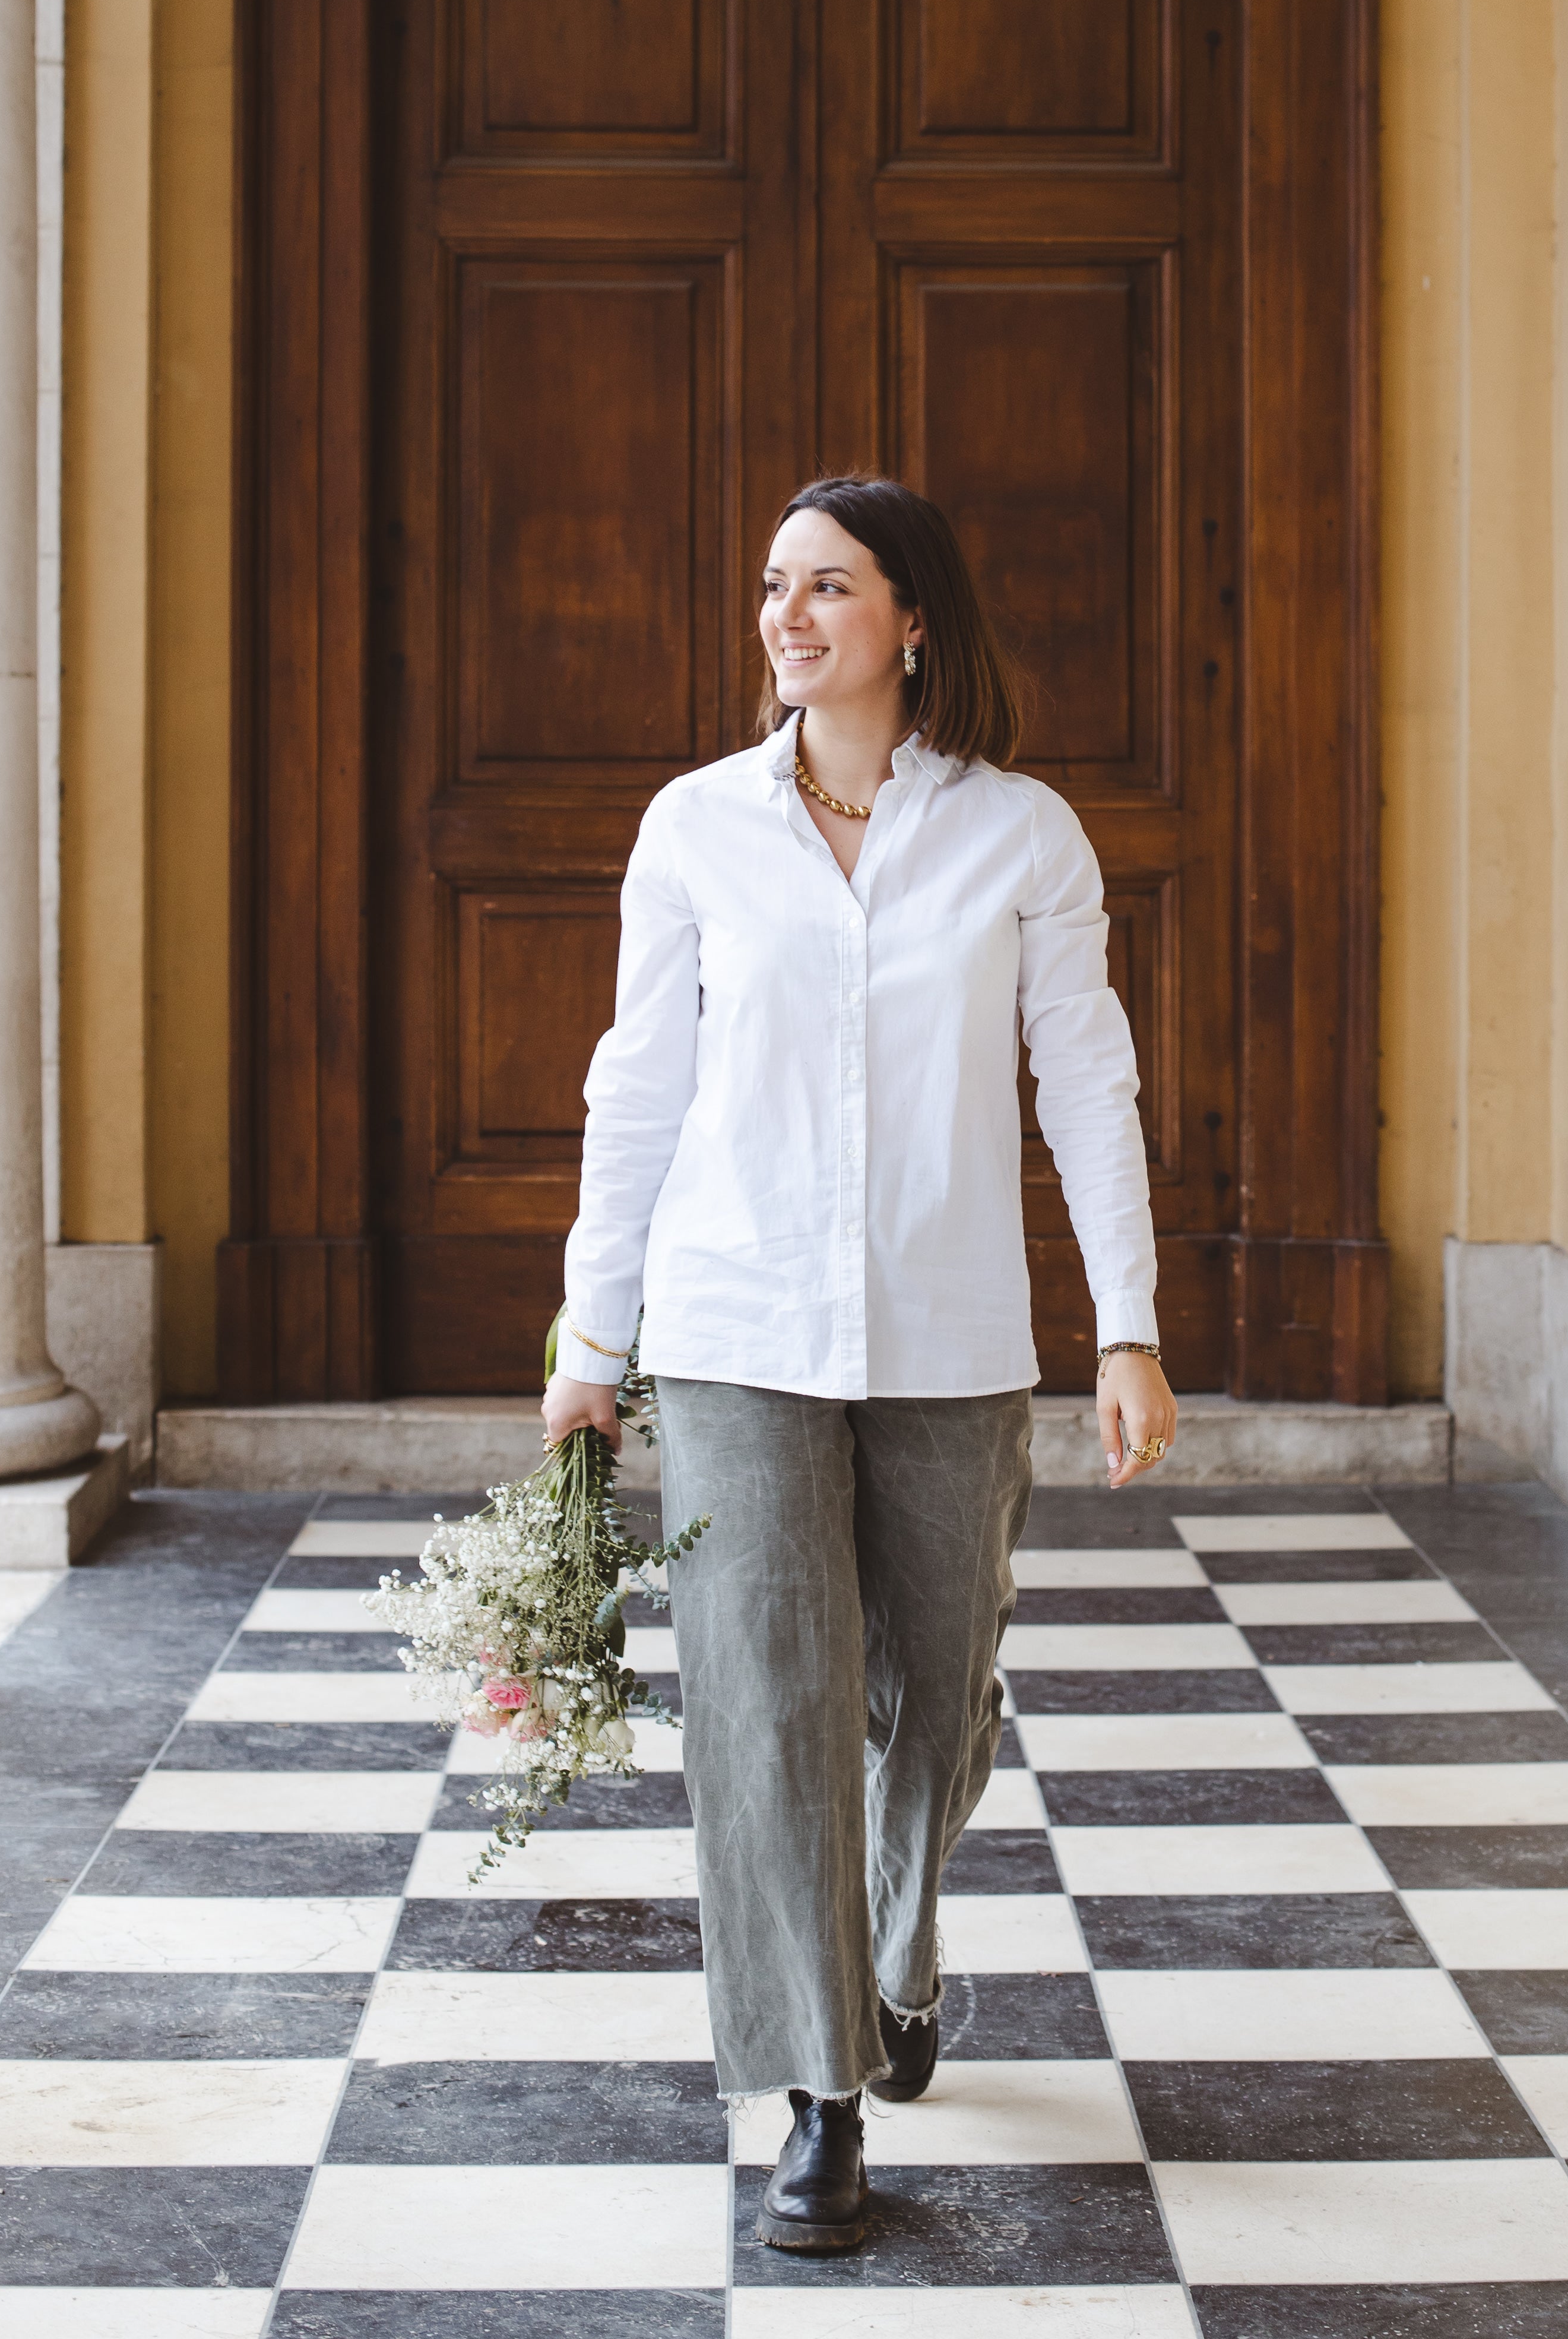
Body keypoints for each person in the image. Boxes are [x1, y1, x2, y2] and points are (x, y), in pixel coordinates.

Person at [540, 473, 1177, 2255]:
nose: (789, 615)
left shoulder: (1022, 836)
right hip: (733, 1324)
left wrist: (1127, 1325)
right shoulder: (695, 827)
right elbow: (637, 1090)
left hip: (947, 1328)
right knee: (768, 1697)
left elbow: (1088, 1083)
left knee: (938, 1692)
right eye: (775, 585)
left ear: (912, 618)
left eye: (829, 585)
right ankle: (819, 2090)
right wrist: (594, 1338)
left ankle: (897, 1949)